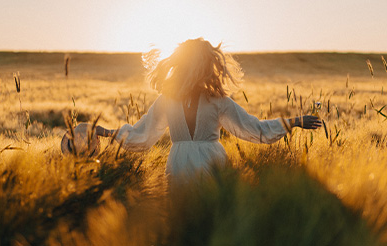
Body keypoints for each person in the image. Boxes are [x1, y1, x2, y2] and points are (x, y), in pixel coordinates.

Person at [63, 38, 321, 178]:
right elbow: (253, 129)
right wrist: (104, 132)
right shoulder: (193, 100)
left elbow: (141, 136)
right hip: (206, 164)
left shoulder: (185, 100)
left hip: (182, 165)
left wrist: (294, 121)